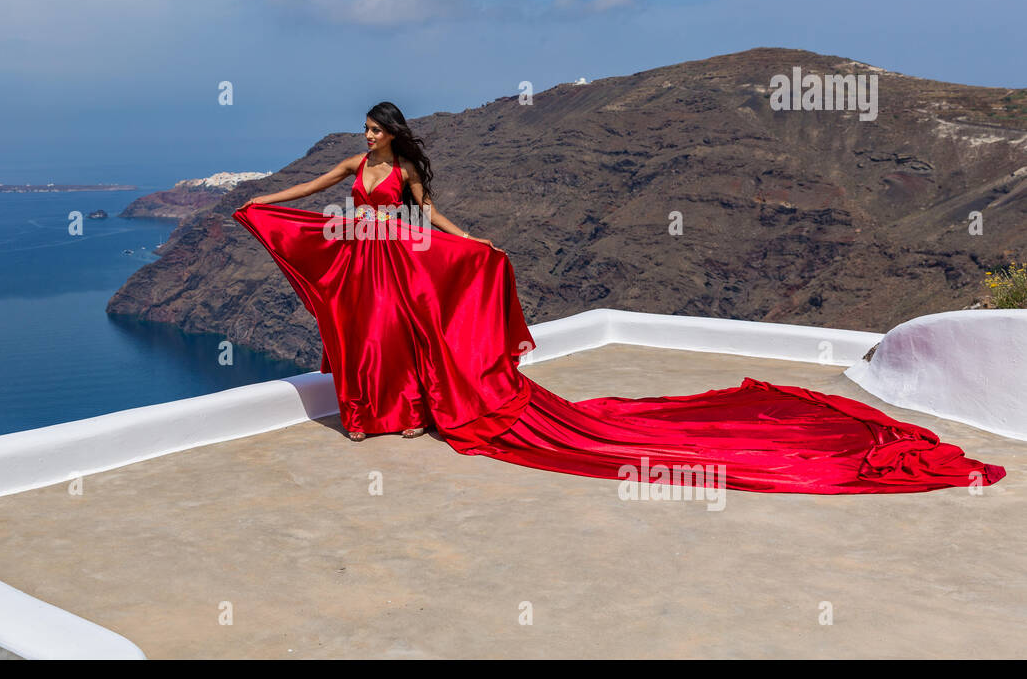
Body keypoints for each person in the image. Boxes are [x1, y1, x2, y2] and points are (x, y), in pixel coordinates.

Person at [235, 102, 1006, 494]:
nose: (365, 138)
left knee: (406, 344)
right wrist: (264, 203)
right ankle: (380, 415)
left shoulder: (404, 175)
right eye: (363, 130)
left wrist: (477, 245)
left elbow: (427, 220)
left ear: (392, 137)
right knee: (364, 345)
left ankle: (413, 416)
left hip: (403, 266)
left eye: (374, 130)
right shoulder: (351, 165)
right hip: (363, 263)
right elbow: (311, 190)